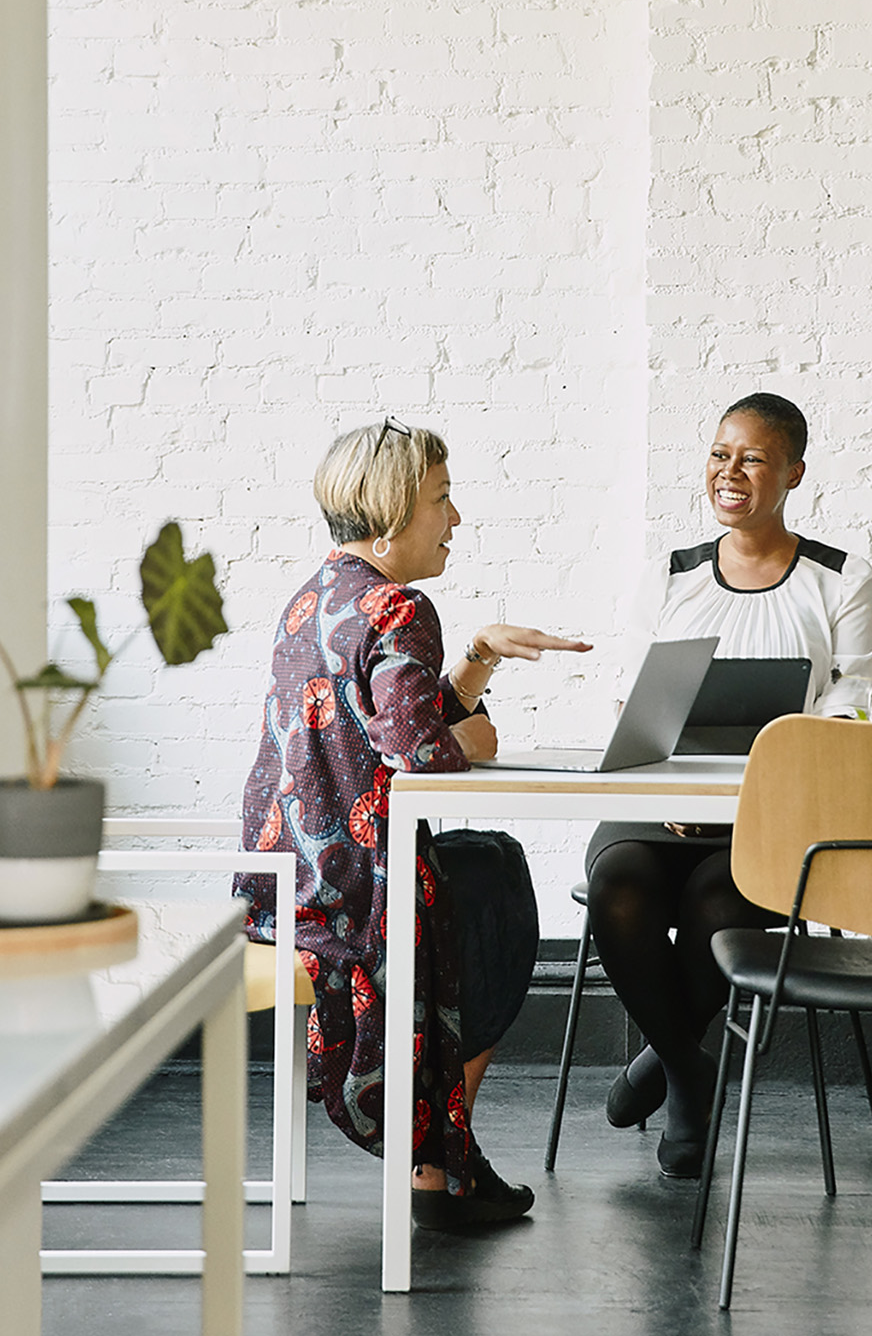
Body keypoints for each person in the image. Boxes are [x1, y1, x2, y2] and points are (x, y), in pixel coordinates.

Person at [238, 417, 591, 1229]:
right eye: (442, 498)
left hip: (284, 884)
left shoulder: (314, 598)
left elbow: (387, 725)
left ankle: (440, 1154)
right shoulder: (399, 606)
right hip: (355, 896)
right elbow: (421, 757)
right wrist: (465, 736)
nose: (456, 517)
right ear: (395, 514)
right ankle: (438, 1163)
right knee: (496, 880)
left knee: (482, 867)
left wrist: (478, 657)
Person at [586, 392, 872, 1179]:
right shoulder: (672, 575)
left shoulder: (842, 580)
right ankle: (691, 1070)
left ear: (794, 472)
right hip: (660, 810)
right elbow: (637, 706)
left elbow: (844, 718)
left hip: (773, 818)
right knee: (619, 886)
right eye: (721, 454)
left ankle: (667, 1070)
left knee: (717, 903)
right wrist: (669, 795)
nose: (731, 471)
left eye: (752, 457)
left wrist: (748, 802)